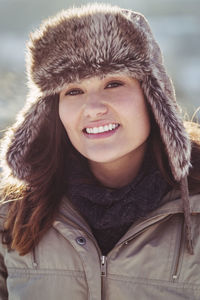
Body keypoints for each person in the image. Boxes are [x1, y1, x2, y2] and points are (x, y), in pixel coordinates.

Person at [0, 3, 200, 299]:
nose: (92, 108)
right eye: (73, 91)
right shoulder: (12, 212)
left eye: (114, 83)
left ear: (153, 98)